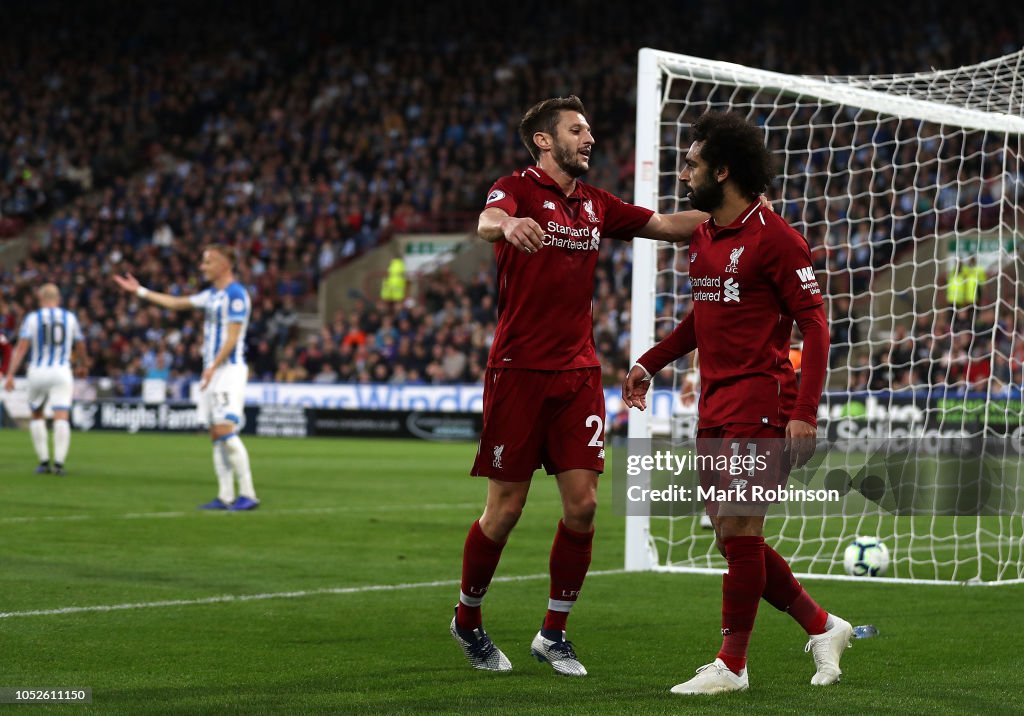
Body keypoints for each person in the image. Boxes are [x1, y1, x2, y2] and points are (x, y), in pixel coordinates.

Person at [450, 95, 711, 676]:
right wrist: (510, 223)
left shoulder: (594, 203)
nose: (588, 138)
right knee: (505, 510)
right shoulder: (514, 188)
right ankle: (467, 620)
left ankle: (553, 632)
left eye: (589, 130)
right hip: (517, 371)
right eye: (577, 130)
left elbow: (666, 225)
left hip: (579, 374)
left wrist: (734, 216)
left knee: (584, 506)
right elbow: (486, 221)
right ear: (545, 140)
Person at [622, 112, 851, 694]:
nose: (684, 172)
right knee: (728, 535)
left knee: (742, 530)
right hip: (714, 407)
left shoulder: (777, 239)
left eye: (693, 163)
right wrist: (650, 361)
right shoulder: (703, 235)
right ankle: (823, 626)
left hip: (763, 403)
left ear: (723, 170)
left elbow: (816, 328)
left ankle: (732, 665)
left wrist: (804, 412)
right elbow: (702, 320)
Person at [113, 245, 259, 511]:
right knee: (215, 433)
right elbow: (177, 303)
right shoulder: (213, 295)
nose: (202, 267)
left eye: (208, 262)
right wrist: (140, 291)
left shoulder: (236, 294)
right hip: (212, 371)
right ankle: (226, 495)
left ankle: (248, 493)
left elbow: (233, 337)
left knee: (226, 429)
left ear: (225, 264)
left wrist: (213, 366)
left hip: (228, 370)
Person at [3, 283, 87, 475]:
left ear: (41, 299)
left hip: (38, 372)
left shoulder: (33, 318)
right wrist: (83, 365)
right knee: (61, 417)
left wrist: (10, 374)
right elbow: (80, 344)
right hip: (62, 372)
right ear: (58, 299)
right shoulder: (69, 317)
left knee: (37, 414)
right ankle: (58, 464)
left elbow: (22, 348)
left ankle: (43, 462)